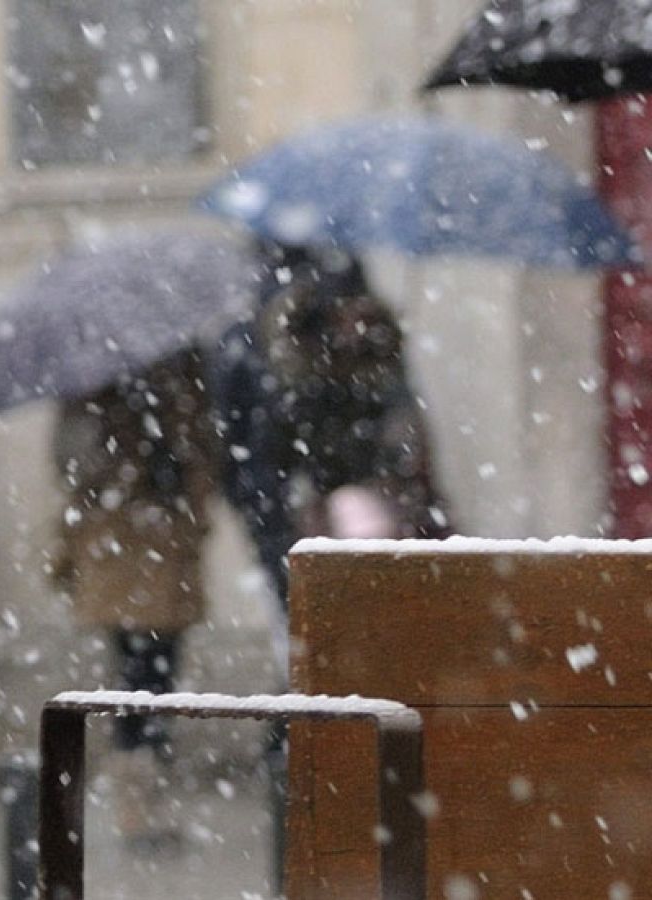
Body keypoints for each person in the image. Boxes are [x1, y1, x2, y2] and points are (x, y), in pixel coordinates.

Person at [210, 244, 450, 604]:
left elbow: (401, 435)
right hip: (314, 506)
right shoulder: (284, 347)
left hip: (339, 508)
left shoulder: (362, 344)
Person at [49, 349, 217, 848]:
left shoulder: (179, 376)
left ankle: (144, 798)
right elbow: (73, 461)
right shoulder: (96, 384)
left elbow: (204, 455)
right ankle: (137, 805)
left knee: (153, 676)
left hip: (151, 545)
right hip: (126, 545)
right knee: (141, 676)